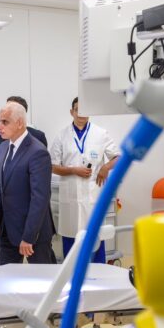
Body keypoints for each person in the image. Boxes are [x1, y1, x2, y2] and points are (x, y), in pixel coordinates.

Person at [50, 97, 120, 263]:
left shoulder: (100, 133)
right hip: (71, 197)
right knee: (70, 238)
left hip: (93, 195)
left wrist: (105, 168)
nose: (81, 113)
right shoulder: (62, 136)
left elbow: (118, 157)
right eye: (77, 110)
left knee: (95, 236)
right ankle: (71, 274)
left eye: (85, 110)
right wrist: (73, 170)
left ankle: (99, 272)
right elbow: (52, 166)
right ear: (71, 112)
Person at [0, 96, 46, 264]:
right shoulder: (3, 147)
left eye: (4, 122)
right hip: (7, 228)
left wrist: (29, 236)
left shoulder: (37, 151)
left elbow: (39, 199)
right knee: (3, 275)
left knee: (42, 276)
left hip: (32, 232)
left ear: (19, 123)